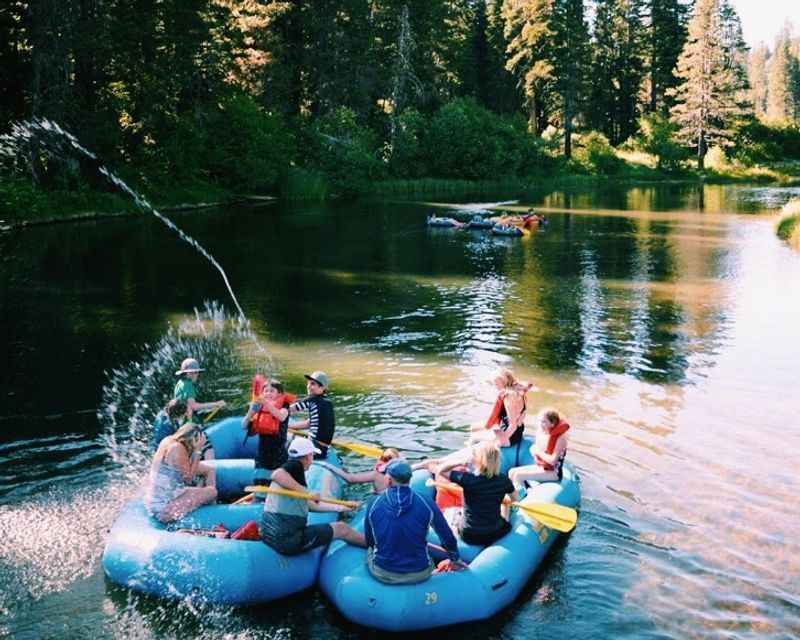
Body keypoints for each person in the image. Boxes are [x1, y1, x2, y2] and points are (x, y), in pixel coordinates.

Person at [259, 437, 366, 556]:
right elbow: (276, 474)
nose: (312, 460)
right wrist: (307, 494)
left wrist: (342, 507)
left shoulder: (291, 475)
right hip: (287, 541)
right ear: (307, 456)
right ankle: (376, 547)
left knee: (339, 526)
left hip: (267, 534)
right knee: (342, 529)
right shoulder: (295, 466)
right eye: (312, 456)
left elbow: (311, 506)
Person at [364, 459, 462, 584]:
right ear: (410, 479)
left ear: (388, 480)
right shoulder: (426, 502)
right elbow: (446, 536)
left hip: (382, 572)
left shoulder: (373, 502)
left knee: (372, 550)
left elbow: (370, 540)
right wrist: (455, 559)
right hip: (420, 573)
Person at [437, 441, 520, 546]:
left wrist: (460, 462)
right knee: (506, 504)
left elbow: (440, 470)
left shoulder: (467, 479)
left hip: (470, 535)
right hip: (495, 533)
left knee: (453, 514)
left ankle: (453, 531)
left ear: (478, 461)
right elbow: (515, 499)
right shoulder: (504, 480)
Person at [144, 423, 217, 523]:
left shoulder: (168, 440)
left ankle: (206, 500)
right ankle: (211, 508)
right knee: (212, 491)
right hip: (163, 505)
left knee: (210, 470)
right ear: (193, 439)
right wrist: (198, 450)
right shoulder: (178, 448)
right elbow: (188, 478)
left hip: (157, 498)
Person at [242, 379, 294, 488]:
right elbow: (243, 426)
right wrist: (250, 412)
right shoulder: (259, 407)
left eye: (272, 391)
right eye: (265, 391)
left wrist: (266, 403)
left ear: (279, 393)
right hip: (262, 453)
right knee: (260, 482)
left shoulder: (284, 406)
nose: (268, 393)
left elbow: (281, 417)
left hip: (278, 453)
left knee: (277, 483)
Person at [471, 368, 532, 458]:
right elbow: (523, 413)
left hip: (510, 436)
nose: (495, 386)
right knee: (474, 427)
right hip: (518, 431)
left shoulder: (509, 397)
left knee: (474, 437)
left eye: (496, 383)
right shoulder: (520, 391)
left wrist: (501, 441)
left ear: (503, 382)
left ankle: (470, 458)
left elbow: (513, 425)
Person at [509, 409, 570, 490]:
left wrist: (537, 451)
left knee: (518, 476)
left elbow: (553, 461)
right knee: (511, 472)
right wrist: (534, 451)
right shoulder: (542, 433)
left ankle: (519, 498)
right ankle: (516, 494)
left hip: (553, 473)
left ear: (552, 424)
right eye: (539, 421)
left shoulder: (560, 438)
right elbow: (536, 452)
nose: (540, 424)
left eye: (544, 422)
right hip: (541, 467)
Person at [289, 371, 335, 460]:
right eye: (308, 383)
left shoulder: (312, 400)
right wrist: (289, 427)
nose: (308, 387)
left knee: (285, 441)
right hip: (323, 449)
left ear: (322, 387)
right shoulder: (327, 403)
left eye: (313, 384)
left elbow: (289, 409)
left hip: (314, 447)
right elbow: (309, 423)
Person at [324, 448, 401, 494]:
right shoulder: (401, 474)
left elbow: (350, 479)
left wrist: (329, 466)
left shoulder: (376, 475)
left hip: (379, 499)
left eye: (384, 459)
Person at [173, 357, 226, 423]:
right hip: (186, 422)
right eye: (194, 372)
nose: (196, 375)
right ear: (187, 373)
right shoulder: (188, 385)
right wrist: (216, 404)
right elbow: (194, 406)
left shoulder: (180, 383)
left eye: (196, 372)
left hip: (180, 419)